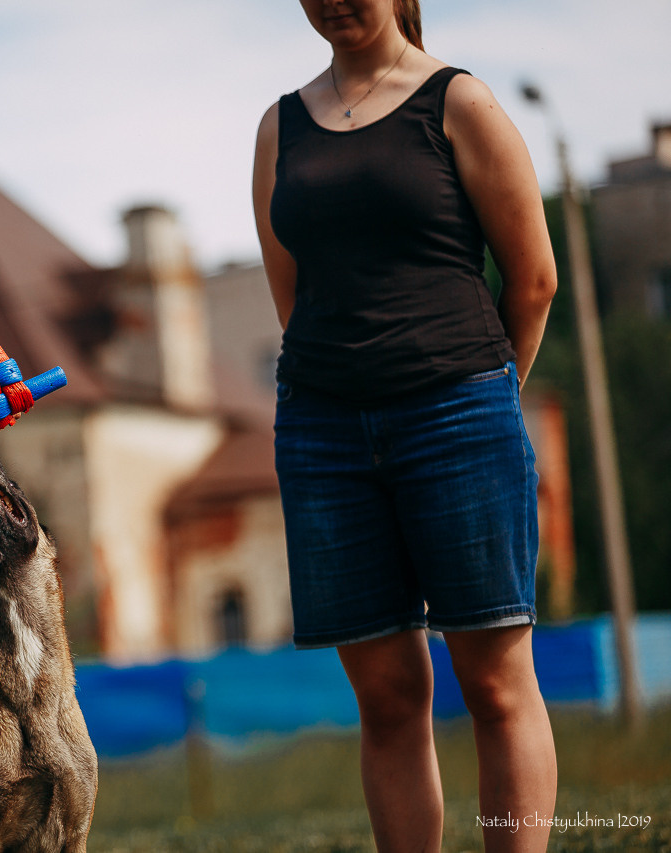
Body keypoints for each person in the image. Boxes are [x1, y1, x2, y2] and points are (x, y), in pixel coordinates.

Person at [251, 2, 558, 851]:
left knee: (495, 684)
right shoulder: (280, 127)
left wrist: (482, 396)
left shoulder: (460, 103)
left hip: (457, 414)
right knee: (386, 697)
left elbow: (532, 280)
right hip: (322, 434)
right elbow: (294, 298)